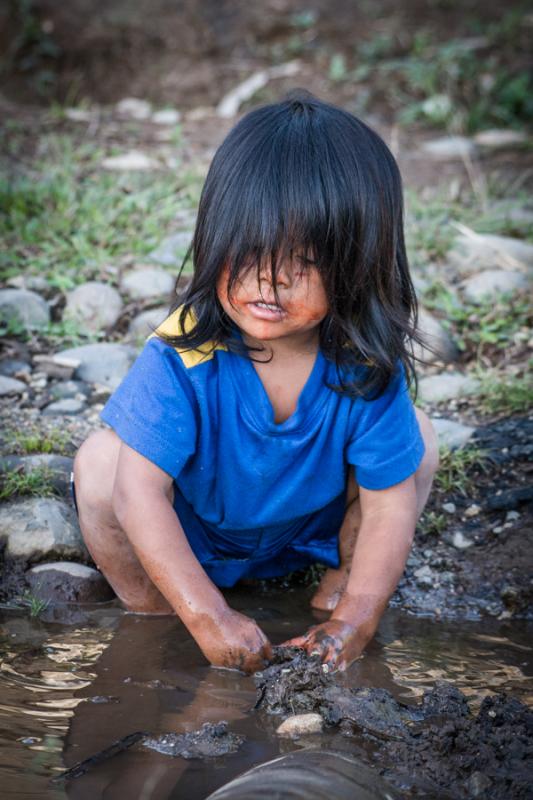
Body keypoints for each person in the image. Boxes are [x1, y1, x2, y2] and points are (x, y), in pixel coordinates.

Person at [73, 91, 439, 675]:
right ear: (216, 238)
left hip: (307, 532)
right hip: (190, 535)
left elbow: (390, 506)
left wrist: (356, 619)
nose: (271, 282)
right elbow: (137, 493)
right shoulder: (186, 349)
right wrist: (205, 619)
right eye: (250, 252)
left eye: (306, 260)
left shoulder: (363, 363)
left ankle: (335, 587)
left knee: (416, 447)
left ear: (359, 262)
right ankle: (153, 618)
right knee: (100, 466)